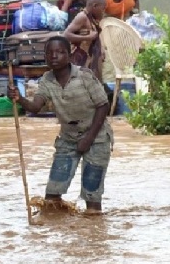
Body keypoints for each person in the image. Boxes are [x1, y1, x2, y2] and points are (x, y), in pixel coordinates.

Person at [8, 36, 113, 214]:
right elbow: (35, 106)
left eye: (59, 52)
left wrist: (89, 138)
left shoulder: (84, 76)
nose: (54, 56)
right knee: (52, 195)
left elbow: (103, 106)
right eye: (49, 53)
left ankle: (93, 234)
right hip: (68, 138)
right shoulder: (47, 81)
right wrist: (19, 98)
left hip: (97, 137)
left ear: (69, 54)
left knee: (92, 195)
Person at [63, 0, 106, 81]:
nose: (103, 11)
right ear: (95, 6)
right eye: (102, 8)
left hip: (91, 58)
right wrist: (87, 38)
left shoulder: (92, 18)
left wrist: (102, 49)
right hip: (81, 58)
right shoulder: (82, 17)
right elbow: (66, 34)